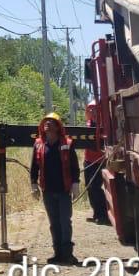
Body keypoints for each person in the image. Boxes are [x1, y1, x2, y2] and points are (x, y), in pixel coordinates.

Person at [30, 111, 81, 264]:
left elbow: (74, 166)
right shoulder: (38, 144)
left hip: (64, 190)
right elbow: (34, 167)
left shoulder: (67, 143)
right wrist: (33, 184)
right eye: (45, 122)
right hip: (48, 191)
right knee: (54, 223)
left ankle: (67, 254)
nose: (47, 124)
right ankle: (57, 253)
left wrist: (75, 183)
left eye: (51, 122)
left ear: (58, 127)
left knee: (65, 221)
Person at [83, 102, 110, 224]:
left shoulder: (105, 126)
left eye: (95, 110)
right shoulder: (87, 125)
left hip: (100, 161)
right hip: (88, 161)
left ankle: (103, 214)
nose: (93, 113)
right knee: (89, 187)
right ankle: (96, 213)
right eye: (90, 110)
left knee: (96, 187)